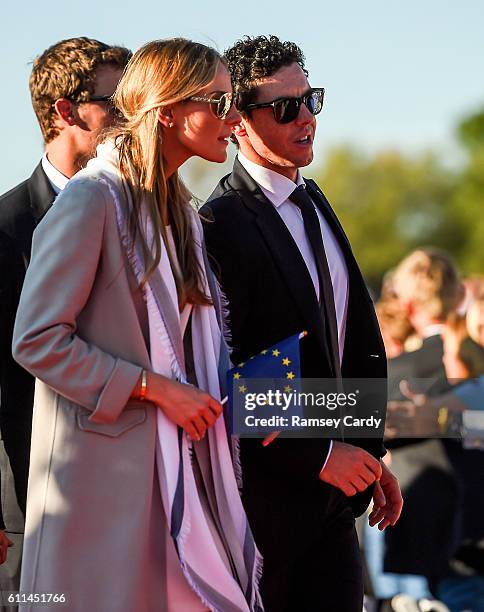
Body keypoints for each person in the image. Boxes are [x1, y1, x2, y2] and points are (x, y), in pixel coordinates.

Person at [12, 38, 262, 612]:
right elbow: (36, 340)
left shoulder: (179, 212)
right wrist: (154, 389)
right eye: (220, 103)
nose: (234, 119)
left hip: (179, 474)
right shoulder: (91, 199)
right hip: (105, 490)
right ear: (169, 109)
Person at [200, 35, 402, 611]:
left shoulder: (315, 200)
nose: (306, 117)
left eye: (310, 98)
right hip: (267, 512)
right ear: (237, 120)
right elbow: (227, 373)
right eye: (285, 107)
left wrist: (368, 451)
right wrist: (318, 454)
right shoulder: (217, 224)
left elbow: (351, 343)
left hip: (335, 508)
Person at [0, 35, 130, 596]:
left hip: (131, 486)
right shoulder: (5, 228)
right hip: (32, 497)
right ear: (65, 111)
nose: (131, 121)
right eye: (116, 105)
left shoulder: (153, 214)